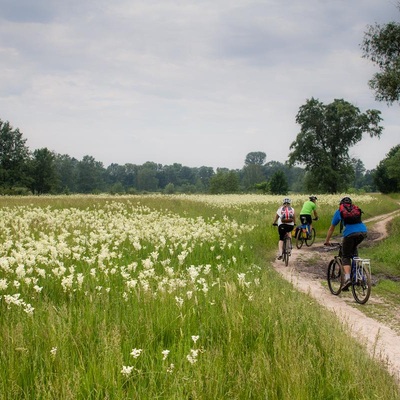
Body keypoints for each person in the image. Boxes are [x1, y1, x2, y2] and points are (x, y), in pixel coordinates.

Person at [324, 196, 367, 290]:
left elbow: (332, 228)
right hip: (363, 232)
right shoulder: (355, 209)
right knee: (353, 249)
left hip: (350, 234)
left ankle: (347, 279)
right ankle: (360, 275)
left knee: (346, 256)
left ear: (341, 204)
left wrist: (327, 241)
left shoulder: (339, 211)